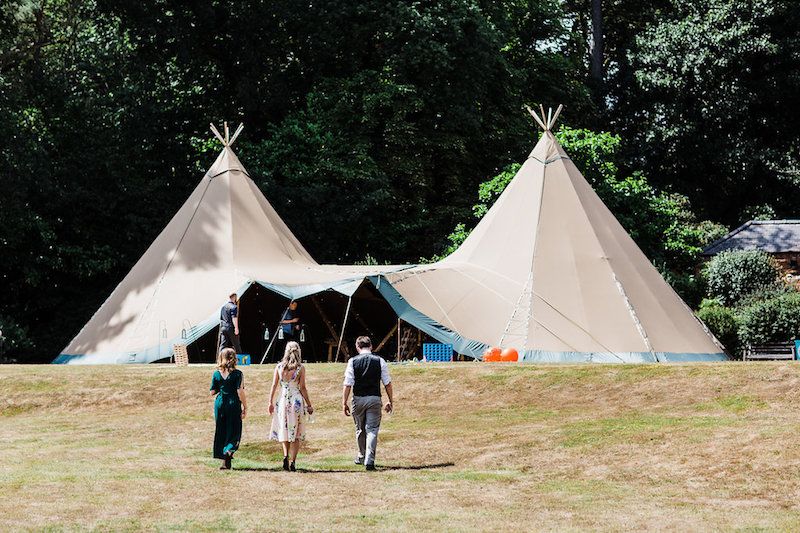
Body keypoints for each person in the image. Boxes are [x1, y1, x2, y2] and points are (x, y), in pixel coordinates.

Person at [342, 336, 393, 471]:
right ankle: (369, 460)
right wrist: (390, 400)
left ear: (357, 347)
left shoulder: (352, 361)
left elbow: (348, 384)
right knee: (372, 430)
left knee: (360, 428)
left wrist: (344, 402)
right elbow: (387, 382)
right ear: (371, 346)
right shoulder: (380, 361)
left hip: (358, 398)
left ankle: (361, 454)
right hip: (374, 398)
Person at [269, 341, 314, 471]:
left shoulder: (279, 367)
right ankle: (293, 461)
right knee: (296, 430)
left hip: (283, 400)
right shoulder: (300, 368)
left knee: (284, 428)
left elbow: (274, 385)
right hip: (296, 401)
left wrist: (270, 402)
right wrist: (309, 404)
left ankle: (285, 456)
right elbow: (303, 388)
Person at [210, 348, 247, 470]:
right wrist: (245, 406)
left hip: (220, 403)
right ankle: (228, 452)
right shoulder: (238, 374)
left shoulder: (216, 374)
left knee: (222, 429)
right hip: (233, 403)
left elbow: (212, 392)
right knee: (234, 430)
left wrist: (221, 387)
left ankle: (224, 460)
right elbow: (239, 391)